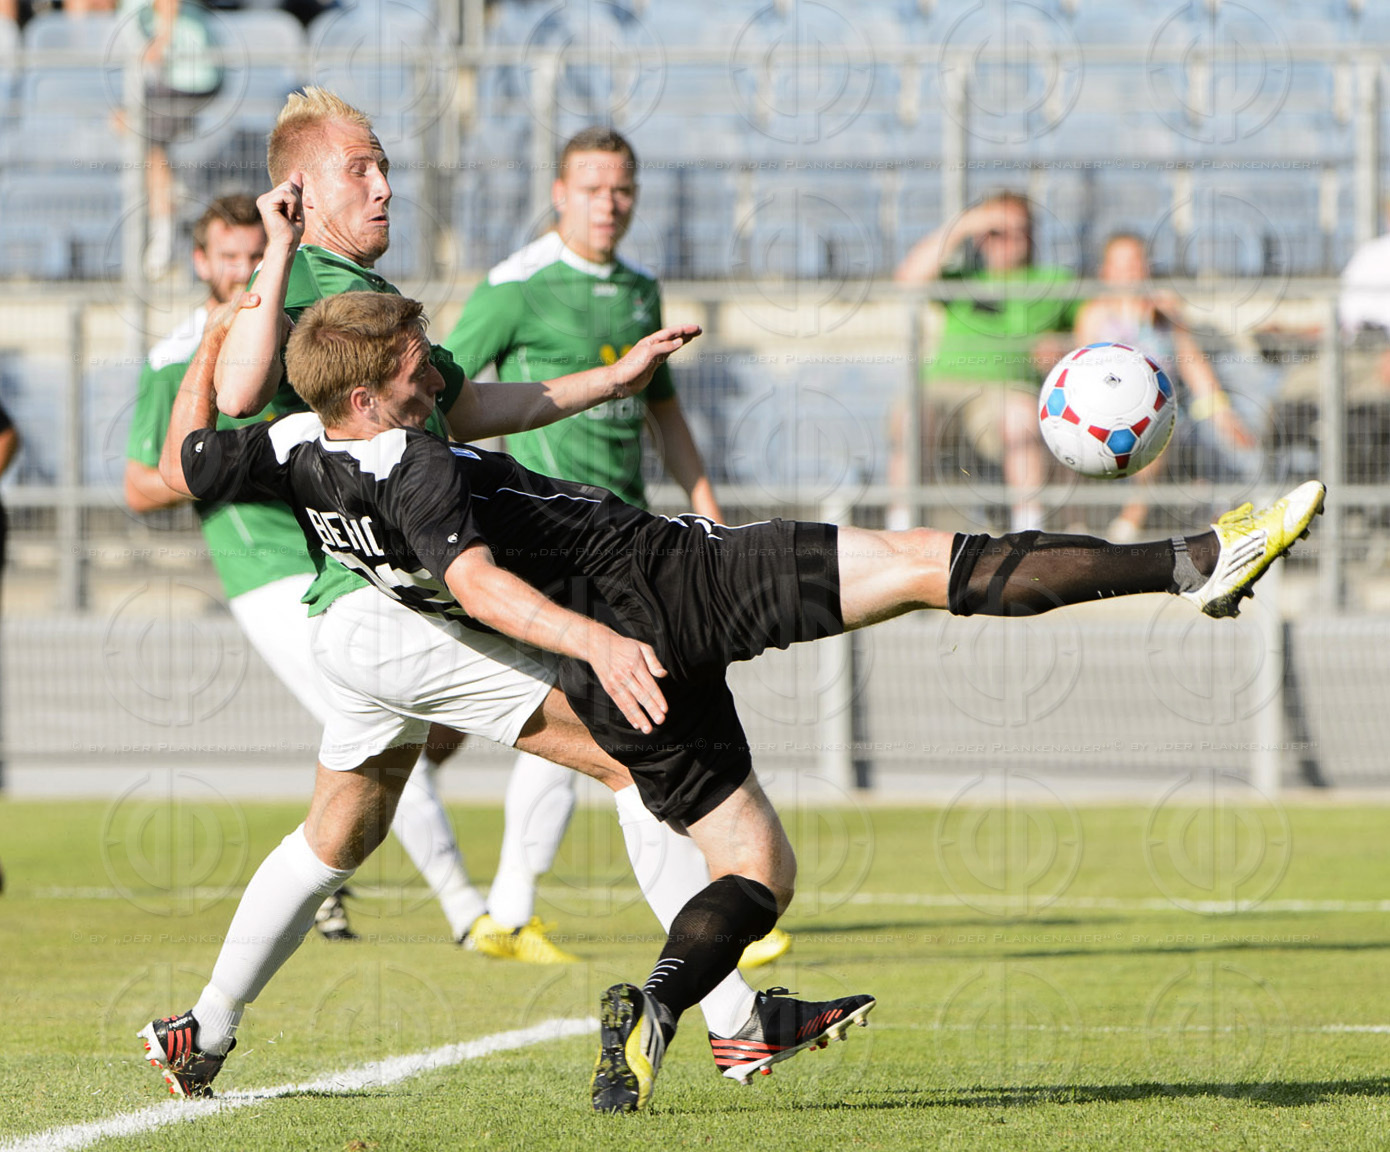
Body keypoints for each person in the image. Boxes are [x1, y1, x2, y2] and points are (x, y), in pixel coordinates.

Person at [164, 281, 1323, 1111]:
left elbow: (195, 462)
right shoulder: (409, 467)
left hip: (622, 668)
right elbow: (475, 580)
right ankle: (1189, 561)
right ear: (373, 395)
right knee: (926, 562)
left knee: (758, 870)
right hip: (665, 586)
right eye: (418, 361)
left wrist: (230, 338)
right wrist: (592, 640)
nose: (436, 366)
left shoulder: (298, 449)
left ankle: (667, 1004)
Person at [136, 93, 808, 1102]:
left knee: (341, 832)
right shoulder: (304, 278)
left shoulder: (361, 287)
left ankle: (205, 1029)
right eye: (360, 167)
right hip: (395, 612)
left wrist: (609, 380)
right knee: (635, 755)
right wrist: (270, 261)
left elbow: (476, 406)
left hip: (362, 617)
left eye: (384, 164)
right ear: (301, 192)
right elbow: (233, 396)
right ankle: (739, 1022)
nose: (385, 184)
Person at [440, 125, 787, 967]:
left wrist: (705, 503)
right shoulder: (515, 287)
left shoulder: (638, 288)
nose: (609, 201)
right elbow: (442, 394)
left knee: (630, 716)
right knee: (600, 717)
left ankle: (710, 894)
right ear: (559, 193)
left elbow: (662, 408)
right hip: (548, 541)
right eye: (592, 187)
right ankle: (532, 910)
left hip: (628, 537)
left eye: (622, 187)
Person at [124, 193, 491, 944]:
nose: (238, 268)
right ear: (201, 263)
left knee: (404, 727)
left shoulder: (292, 333)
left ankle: (325, 880)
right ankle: (472, 915)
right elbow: (141, 483)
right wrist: (238, 468)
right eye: (225, 255)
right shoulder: (175, 359)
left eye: (249, 253)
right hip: (265, 570)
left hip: (341, 550)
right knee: (387, 720)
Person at [892, 191, 1077, 532]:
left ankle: (1028, 531)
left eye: (1016, 229)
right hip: (944, 388)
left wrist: (1064, 347)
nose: (1006, 240)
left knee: (1021, 417)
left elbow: (1094, 331)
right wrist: (966, 224)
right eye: (996, 231)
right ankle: (900, 528)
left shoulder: (1054, 281)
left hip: (1005, 393)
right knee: (910, 417)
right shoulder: (961, 278)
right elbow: (907, 279)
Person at [1074, 232, 1258, 540]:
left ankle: (1136, 520)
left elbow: (1192, 364)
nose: (1129, 272)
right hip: (1109, 413)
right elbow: (1083, 372)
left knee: (1164, 426)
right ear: (1105, 271)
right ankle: (1093, 525)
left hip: (1166, 413)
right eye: (1120, 265)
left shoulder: (1165, 309)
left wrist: (1222, 412)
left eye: (1134, 263)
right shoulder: (1093, 315)